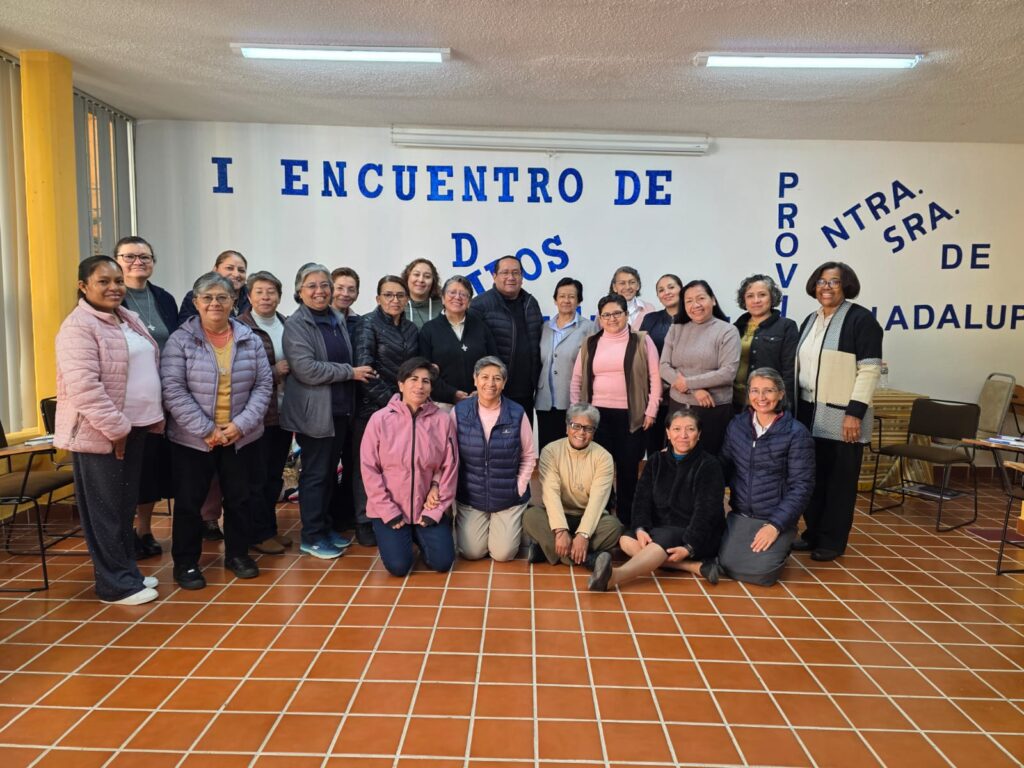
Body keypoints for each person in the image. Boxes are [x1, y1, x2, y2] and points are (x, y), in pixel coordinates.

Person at [54, 256, 164, 605]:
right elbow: (84, 387)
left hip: (135, 428)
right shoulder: (78, 327)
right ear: (83, 286)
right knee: (105, 510)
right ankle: (114, 584)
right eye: (103, 281)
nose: (114, 287)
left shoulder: (125, 317)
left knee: (122, 507)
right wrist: (117, 429)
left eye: (118, 281)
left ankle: (127, 572)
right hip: (102, 433)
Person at [161, 272, 273, 589]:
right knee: (189, 503)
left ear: (233, 302)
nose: (215, 303)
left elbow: (263, 386)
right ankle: (186, 563)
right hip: (193, 440)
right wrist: (207, 430)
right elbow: (173, 390)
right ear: (196, 302)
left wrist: (239, 426)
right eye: (207, 297)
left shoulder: (249, 338)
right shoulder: (180, 340)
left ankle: (237, 555)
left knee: (240, 499)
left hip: (241, 438)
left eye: (222, 297)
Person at [281, 263, 375, 559]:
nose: (320, 291)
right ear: (299, 290)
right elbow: (306, 369)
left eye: (324, 285)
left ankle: (324, 527)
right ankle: (311, 535)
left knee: (329, 472)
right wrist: (350, 372)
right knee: (315, 475)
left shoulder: (335, 317)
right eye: (312, 285)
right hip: (315, 413)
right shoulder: (297, 324)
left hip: (339, 410)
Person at [793, 261, 883, 561]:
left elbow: (869, 370)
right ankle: (813, 533)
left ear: (846, 285)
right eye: (821, 281)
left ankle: (832, 542)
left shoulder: (860, 320)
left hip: (842, 414)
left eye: (833, 281)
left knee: (839, 481)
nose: (826, 287)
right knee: (812, 477)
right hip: (807, 410)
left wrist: (854, 413)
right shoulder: (811, 319)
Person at [589, 409, 726, 592]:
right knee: (626, 540)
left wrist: (689, 547)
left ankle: (615, 576)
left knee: (662, 539)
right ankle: (693, 567)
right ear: (668, 433)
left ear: (699, 434)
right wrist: (640, 528)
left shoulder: (709, 465)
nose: (683, 435)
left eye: (690, 429)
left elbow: (707, 513)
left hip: (693, 533)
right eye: (676, 429)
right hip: (660, 528)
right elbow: (641, 499)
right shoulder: (656, 460)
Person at [709, 368, 815, 586]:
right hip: (741, 515)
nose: (761, 398)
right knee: (725, 565)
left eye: (768, 391)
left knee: (762, 575)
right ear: (748, 394)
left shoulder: (797, 433)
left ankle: (781, 543)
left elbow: (801, 486)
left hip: (774, 517)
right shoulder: (737, 425)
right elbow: (722, 466)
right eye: (755, 391)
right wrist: (686, 460)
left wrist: (775, 525)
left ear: (781, 394)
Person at [360, 358, 459, 576]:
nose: (420, 386)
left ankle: (418, 533)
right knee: (399, 567)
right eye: (413, 379)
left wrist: (435, 495)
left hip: (428, 506)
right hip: (391, 509)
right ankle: (405, 534)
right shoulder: (380, 420)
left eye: (426, 381)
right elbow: (369, 470)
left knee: (442, 562)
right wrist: (389, 511)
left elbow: (449, 465)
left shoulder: (442, 420)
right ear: (401, 384)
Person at [113, 236, 179, 560]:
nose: (138, 262)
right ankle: (121, 534)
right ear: (116, 261)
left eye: (145, 256)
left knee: (152, 468)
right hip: (127, 398)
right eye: (130, 256)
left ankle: (145, 529)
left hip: (163, 396)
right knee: (127, 471)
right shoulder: (111, 300)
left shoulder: (164, 298)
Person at [570, 294, 661, 527]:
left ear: (626, 314)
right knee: (599, 468)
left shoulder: (642, 341)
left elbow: (655, 377)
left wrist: (651, 410)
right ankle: (600, 518)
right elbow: (577, 379)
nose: (612, 319)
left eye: (617, 313)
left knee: (628, 468)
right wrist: (576, 413)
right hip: (596, 416)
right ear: (599, 318)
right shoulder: (590, 342)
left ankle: (626, 519)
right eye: (606, 315)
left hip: (632, 415)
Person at [352, 275, 421, 546]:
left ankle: (400, 516)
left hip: (405, 409)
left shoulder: (411, 328)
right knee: (367, 467)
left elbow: (415, 366)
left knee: (398, 467)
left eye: (400, 295)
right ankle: (364, 520)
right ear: (378, 298)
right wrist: (394, 403)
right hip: (373, 409)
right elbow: (365, 370)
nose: (395, 300)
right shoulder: (367, 324)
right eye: (389, 295)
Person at [453, 356, 537, 562]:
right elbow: (450, 456)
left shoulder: (517, 413)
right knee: (472, 552)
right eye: (484, 377)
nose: (490, 383)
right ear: (475, 379)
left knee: (503, 554)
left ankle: (517, 521)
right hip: (472, 496)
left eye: (497, 378)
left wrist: (518, 487)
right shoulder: (460, 412)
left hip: (508, 496)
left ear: (504, 383)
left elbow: (528, 456)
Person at [522, 404, 624, 567]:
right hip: (556, 516)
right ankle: (586, 558)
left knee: (614, 527)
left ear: (594, 432)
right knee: (530, 516)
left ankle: (549, 551)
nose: (581, 433)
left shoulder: (604, 457)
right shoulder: (550, 451)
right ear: (567, 427)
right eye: (576, 426)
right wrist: (561, 530)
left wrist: (583, 534)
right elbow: (551, 494)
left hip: (589, 517)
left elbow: (597, 502)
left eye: (588, 428)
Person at [238, 271, 293, 554]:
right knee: (256, 477)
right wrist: (274, 372)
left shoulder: (287, 324)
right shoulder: (241, 327)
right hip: (257, 415)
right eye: (259, 291)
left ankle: (269, 528)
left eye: (271, 291)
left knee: (274, 475)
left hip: (283, 413)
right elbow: (240, 372)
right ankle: (257, 534)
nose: (266, 297)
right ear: (248, 296)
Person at [659, 280, 740, 457]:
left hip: (713, 408)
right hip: (678, 406)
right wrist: (694, 389)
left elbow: (728, 373)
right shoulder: (676, 328)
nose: (695, 305)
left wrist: (688, 382)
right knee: (676, 462)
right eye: (688, 301)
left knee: (708, 462)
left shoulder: (728, 331)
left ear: (713, 300)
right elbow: (664, 367)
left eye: (701, 298)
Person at [471, 255, 543, 424]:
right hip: (493, 390)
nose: (511, 277)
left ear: (522, 277)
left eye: (516, 273)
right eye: (505, 272)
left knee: (522, 441)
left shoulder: (531, 303)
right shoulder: (480, 305)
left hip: (526, 391)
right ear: (494, 276)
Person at [535, 277, 595, 450]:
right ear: (555, 299)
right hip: (545, 400)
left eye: (571, 296)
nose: (566, 300)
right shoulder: (544, 327)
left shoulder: (589, 328)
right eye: (562, 296)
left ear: (579, 300)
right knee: (547, 451)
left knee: (573, 451)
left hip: (573, 400)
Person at [418, 275, 497, 408]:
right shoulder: (429, 330)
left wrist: (482, 390)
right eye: (452, 292)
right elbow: (424, 370)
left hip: (480, 402)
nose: (457, 297)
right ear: (443, 298)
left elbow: (494, 363)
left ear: (469, 302)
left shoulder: (481, 327)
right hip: (441, 405)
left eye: (463, 294)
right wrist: (451, 393)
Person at [732, 274, 799, 411]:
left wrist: (784, 406)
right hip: (734, 401)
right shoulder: (735, 327)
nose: (756, 300)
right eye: (750, 296)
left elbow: (789, 371)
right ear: (744, 300)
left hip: (768, 404)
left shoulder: (786, 326)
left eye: (762, 295)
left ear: (772, 297)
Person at [640, 273, 682, 456]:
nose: (667, 292)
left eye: (671, 287)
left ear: (681, 289)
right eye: (661, 290)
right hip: (656, 392)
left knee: (681, 444)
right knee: (655, 447)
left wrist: (674, 381)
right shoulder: (650, 319)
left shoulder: (693, 318)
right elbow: (642, 354)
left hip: (684, 391)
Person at [177, 249, 250, 323]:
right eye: (229, 268)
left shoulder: (253, 295)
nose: (236, 274)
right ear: (215, 269)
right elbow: (187, 328)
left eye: (241, 270)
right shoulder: (197, 295)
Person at [401, 258, 443, 328]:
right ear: (407, 277)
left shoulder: (443, 307)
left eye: (427, 276)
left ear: (433, 281)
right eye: (416, 275)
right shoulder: (397, 305)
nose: (421, 280)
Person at [610, 266, 655, 330]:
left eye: (632, 282)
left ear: (638, 285)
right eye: (622, 283)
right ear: (614, 287)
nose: (627, 287)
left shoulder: (649, 309)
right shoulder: (605, 311)